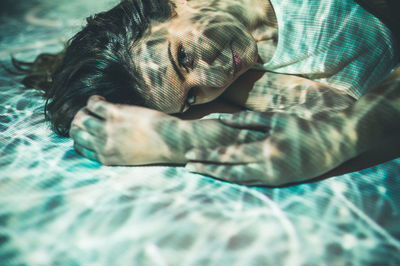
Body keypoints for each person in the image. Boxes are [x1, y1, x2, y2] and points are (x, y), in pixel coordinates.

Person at [16, 0, 400, 186]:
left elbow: (346, 130)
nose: (212, 80)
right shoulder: (240, 78)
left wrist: (337, 138)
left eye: (182, 57)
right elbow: (346, 110)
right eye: (191, 98)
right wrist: (181, 139)